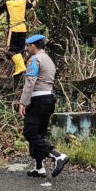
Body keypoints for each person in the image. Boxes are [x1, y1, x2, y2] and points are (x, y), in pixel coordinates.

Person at [18, 34, 69, 179]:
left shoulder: (35, 59)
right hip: (48, 99)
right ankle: (39, 168)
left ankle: (57, 156)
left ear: (33, 46)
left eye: (28, 46)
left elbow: (30, 82)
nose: (27, 48)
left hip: (38, 100)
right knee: (39, 133)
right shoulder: (49, 59)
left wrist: (23, 102)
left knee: (29, 133)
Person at [0, 0, 33, 76]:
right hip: (23, 29)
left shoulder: (8, 3)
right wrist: (36, 1)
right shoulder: (24, 2)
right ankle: (19, 68)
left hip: (13, 30)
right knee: (20, 50)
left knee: (11, 50)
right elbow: (32, 5)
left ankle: (20, 67)